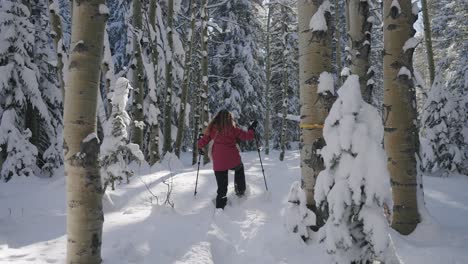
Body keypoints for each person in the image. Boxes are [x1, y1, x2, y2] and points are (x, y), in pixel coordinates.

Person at [197, 110, 258, 209]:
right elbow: (248, 136)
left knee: (222, 187)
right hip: (233, 160)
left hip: (219, 163)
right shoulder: (233, 130)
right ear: (230, 119)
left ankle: (220, 207)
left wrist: (200, 140)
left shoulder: (212, 129)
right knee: (239, 169)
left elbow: (201, 143)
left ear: (217, 118)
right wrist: (252, 128)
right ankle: (240, 190)